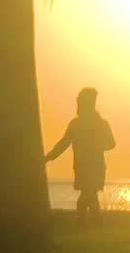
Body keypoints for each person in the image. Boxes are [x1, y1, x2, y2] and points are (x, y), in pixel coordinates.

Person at [46, 88, 116, 224]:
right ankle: (94, 224)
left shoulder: (98, 124)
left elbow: (111, 143)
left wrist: (95, 146)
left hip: (94, 167)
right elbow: (64, 142)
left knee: (86, 197)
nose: (77, 104)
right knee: (90, 196)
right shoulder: (78, 124)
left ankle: (86, 223)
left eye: (80, 101)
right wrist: (49, 156)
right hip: (83, 167)